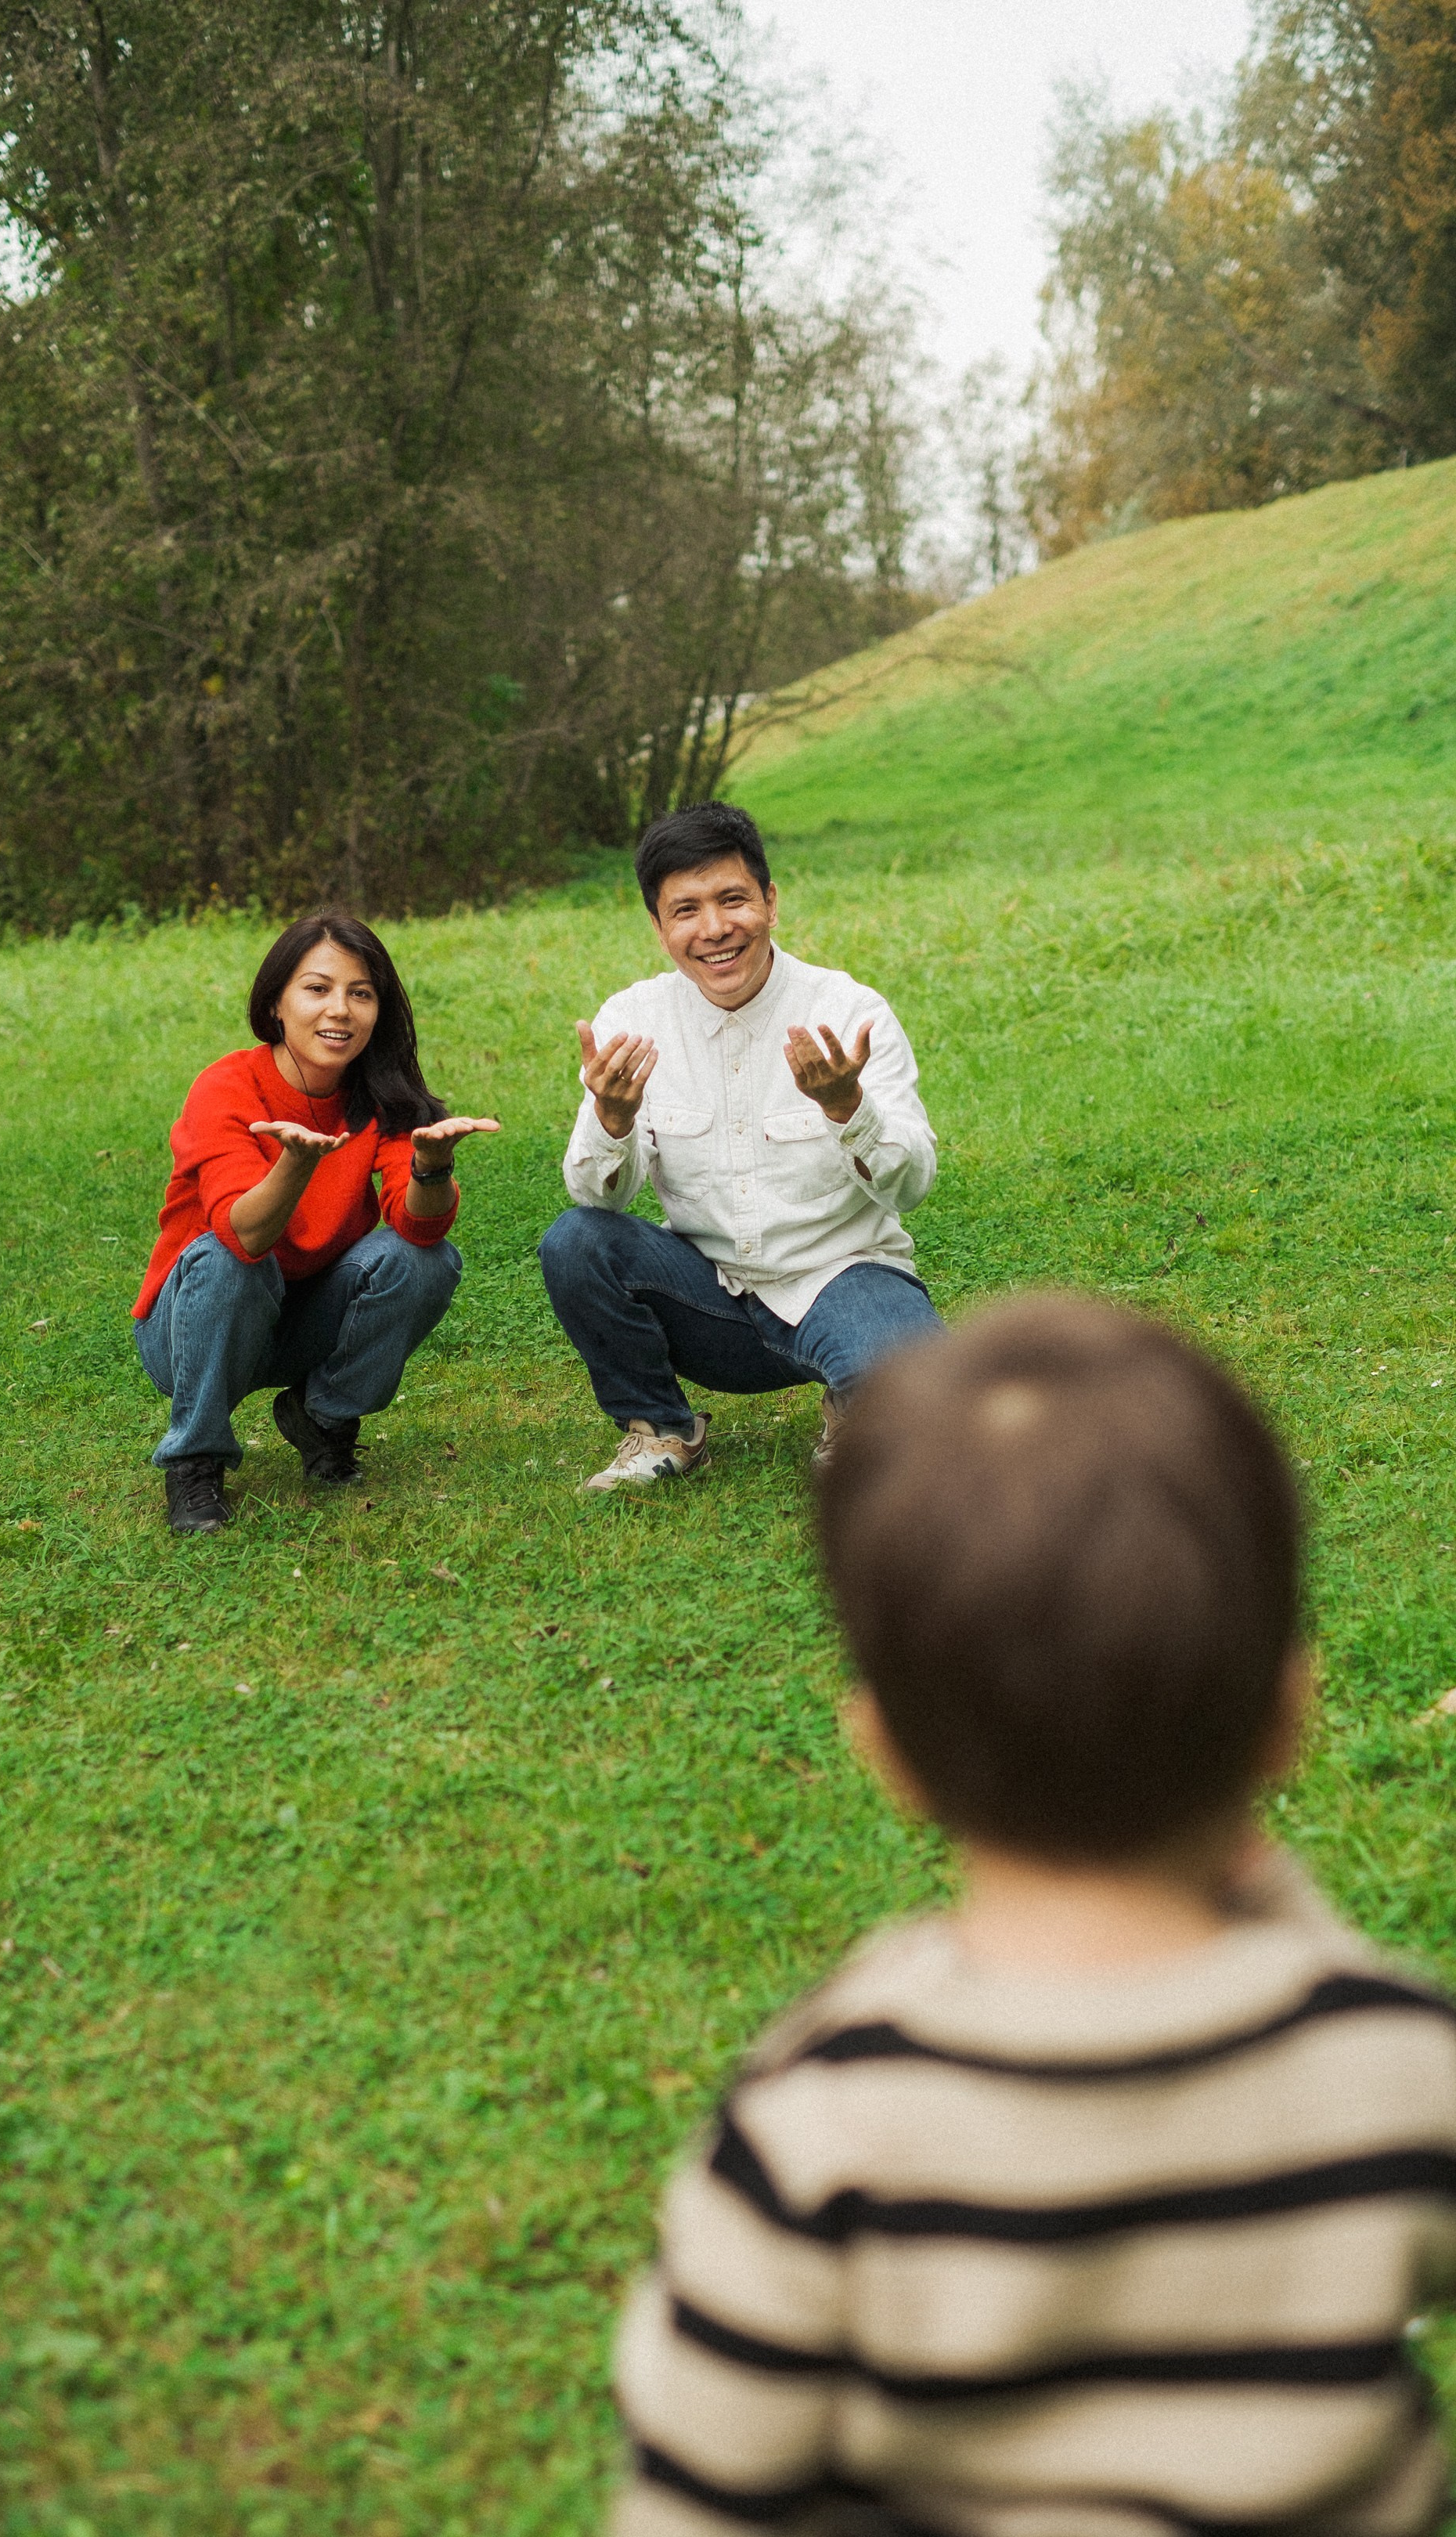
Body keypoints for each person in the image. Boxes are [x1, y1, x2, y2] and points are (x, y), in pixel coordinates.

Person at [611, 1293, 1456, 2537]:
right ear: (1291, 1716)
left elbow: (699, 2496)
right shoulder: (1396, 2062)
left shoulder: (816, 2123)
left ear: (888, 1756)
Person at [539, 801, 939, 1493]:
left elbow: (912, 1184)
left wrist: (846, 1107)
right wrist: (613, 1118)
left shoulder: (849, 1012)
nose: (715, 929)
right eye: (686, 910)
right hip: (708, 1296)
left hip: (842, 1279)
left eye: (733, 900)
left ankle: (856, 1411)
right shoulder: (632, 1021)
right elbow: (597, 1199)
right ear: (659, 928)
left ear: (770, 902)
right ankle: (660, 1429)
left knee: (919, 1401)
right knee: (576, 1240)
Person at [132, 911, 497, 1534]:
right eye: (318, 989)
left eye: (361, 993)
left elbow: (421, 1231)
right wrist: (296, 1164)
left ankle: (322, 1417)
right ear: (276, 1002)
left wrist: (431, 1167)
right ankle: (194, 1461)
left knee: (427, 1261)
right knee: (229, 1259)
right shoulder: (226, 1086)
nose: (340, 1010)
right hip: (195, 1328)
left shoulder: (384, 1095)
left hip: (302, 1320)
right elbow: (244, 1235)